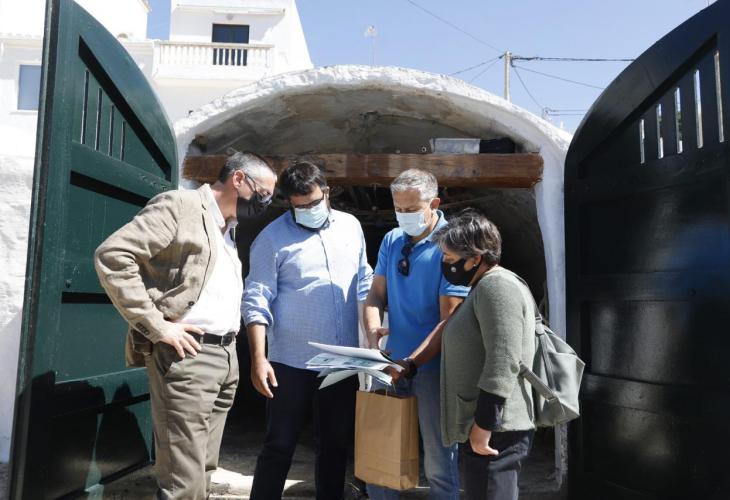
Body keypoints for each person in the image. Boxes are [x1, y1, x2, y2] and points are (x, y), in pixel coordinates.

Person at [94, 152, 277, 500]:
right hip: (188, 356)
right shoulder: (180, 206)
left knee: (203, 470)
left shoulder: (228, 228)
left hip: (225, 357)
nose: (266, 203)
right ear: (239, 179)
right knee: (184, 481)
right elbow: (113, 256)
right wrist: (157, 326)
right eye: (264, 193)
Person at [243, 161, 373, 499]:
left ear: (327, 192)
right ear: (289, 202)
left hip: (342, 360)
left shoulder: (351, 226)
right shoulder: (271, 239)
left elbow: (364, 281)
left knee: (335, 445)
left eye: (314, 202)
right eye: (299, 206)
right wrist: (259, 359)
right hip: (290, 362)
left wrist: (373, 335)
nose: (308, 210)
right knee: (279, 444)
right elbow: (256, 299)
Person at [397, 209, 536, 500]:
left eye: (450, 259)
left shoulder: (497, 286)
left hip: (497, 428)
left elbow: (503, 359)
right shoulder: (481, 286)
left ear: (475, 257)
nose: (445, 266)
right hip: (488, 425)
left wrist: (484, 426)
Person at [363, 169, 469, 500]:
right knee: (380, 455)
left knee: (439, 462)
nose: (403, 216)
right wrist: (373, 338)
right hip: (390, 363)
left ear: (434, 204)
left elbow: (449, 320)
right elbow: (375, 294)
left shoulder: (452, 245)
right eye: (398, 209)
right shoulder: (392, 240)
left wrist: (411, 363)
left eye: (411, 209)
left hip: (433, 369)